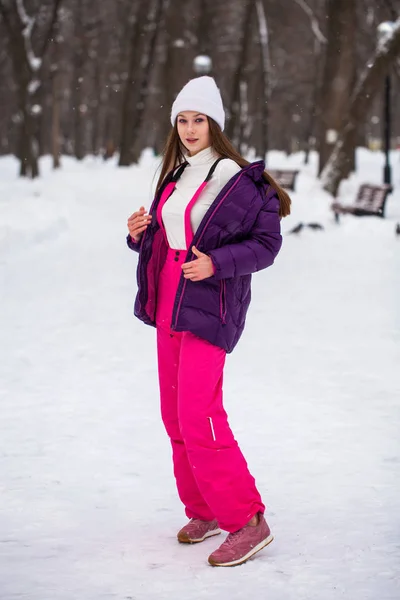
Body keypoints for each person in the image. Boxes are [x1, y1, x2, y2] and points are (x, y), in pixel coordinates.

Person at [126, 76, 291, 567]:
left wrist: (217, 263)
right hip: (168, 300)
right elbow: (166, 237)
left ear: (215, 124)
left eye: (199, 120)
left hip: (210, 301)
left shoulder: (241, 181)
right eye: (183, 119)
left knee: (201, 414)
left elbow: (266, 247)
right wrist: (141, 235)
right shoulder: (175, 177)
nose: (190, 128)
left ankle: (247, 520)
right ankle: (205, 509)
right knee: (174, 414)